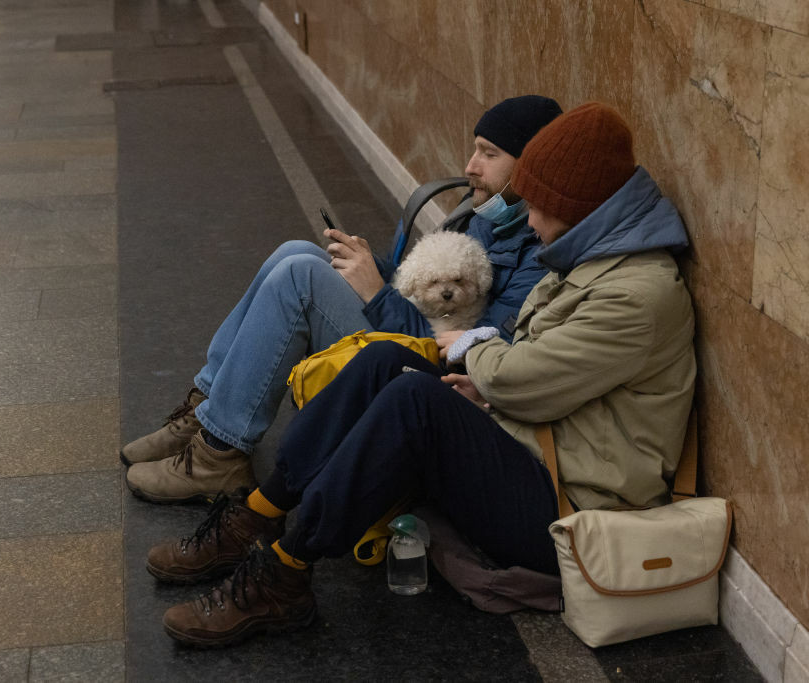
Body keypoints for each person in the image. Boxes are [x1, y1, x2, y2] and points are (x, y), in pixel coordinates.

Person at [148, 102, 697, 647]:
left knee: (415, 399)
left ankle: (286, 573)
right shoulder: (596, 261)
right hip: (537, 449)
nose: (530, 219)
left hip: (570, 511)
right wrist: (486, 381)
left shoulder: (634, 296)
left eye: (541, 204)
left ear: (578, 207)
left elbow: (516, 375)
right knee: (390, 359)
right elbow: (531, 372)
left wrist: (480, 366)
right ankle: (257, 515)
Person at [123, 95, 563, 504]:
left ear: (532, 166)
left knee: (301, 278)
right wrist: (373, 265)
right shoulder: (490, 212)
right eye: (474, 149)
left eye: (489, 153)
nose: (470, 166)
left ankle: (217, 456)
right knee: (296, 251)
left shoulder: (539, 252)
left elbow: (467, 354)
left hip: (434, 374)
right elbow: (427, 289)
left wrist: (374, 290)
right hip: (409, 329)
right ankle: (207, 408)